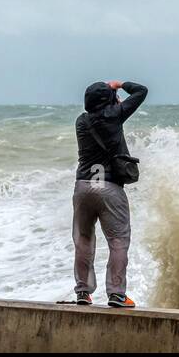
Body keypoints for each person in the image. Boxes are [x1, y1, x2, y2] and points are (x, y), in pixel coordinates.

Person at [72, 79, 148, 307]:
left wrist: (110, 94)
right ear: (110, 100)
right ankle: (116, 294)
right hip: (109, 187)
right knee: (118, 240)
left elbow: (102, 110)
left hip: (84, 185)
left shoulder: (81, 121)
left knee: (83, 239)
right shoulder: (114, 115)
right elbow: (141, 91)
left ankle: (83, 292)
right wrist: (120, 84)